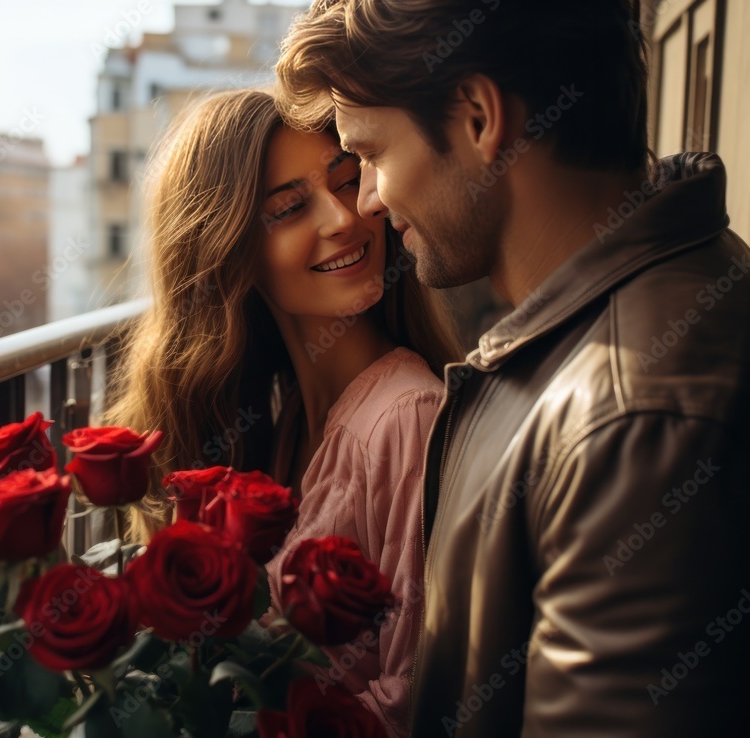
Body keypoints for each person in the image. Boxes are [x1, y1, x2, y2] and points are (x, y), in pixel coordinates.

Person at [275, 1, 750, 736]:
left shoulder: (631, 421)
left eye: (370, 154)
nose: (367, 200)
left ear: (476, 116)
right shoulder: (599, 341)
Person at [103, 88, 461, 736]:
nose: (345, 218)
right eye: (292, 208)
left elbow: (417, 704)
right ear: (230, 254)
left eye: (348, 181)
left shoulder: (405, 419)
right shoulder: (288, 416)